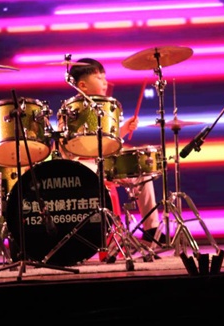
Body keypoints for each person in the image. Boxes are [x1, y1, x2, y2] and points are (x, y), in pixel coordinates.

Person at [60, 58, 163, 247]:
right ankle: (105, 236)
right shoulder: (71, 110)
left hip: (103, 162)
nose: (105, 82)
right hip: (81, 165)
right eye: (99, 78)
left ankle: (151, 231)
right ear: (82, 85)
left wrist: (123, 130)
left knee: (143, 172)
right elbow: (66, 149)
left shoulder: (105, 108)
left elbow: (108, 141)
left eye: (105, 77)